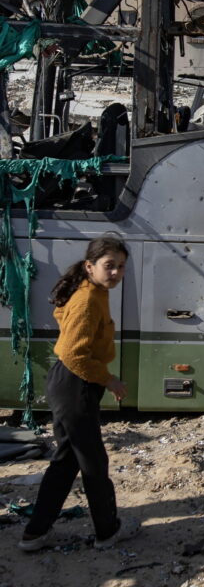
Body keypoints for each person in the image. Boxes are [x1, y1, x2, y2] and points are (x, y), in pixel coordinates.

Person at [18, 236, 140, 552]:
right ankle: (107, 531)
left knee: (67, 459)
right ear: (90, 266)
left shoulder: (93, 292)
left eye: (121, 266)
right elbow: (74, 353)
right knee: (93, 463)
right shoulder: (88, 299)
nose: (115, 272)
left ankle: (35, 533)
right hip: (75, 383)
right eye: (109, 265)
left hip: (69, 382)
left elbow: (62, 317)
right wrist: (109, 380)